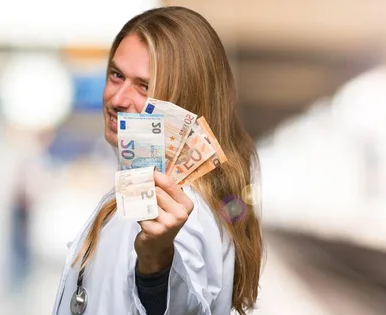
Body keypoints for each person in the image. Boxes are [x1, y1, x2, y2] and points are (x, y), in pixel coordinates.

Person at [52, 6, 263, 315]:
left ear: (183, 102)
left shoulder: (184, 207)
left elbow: (186, 304)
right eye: (116, 75)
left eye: (144, 86)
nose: (118, 99)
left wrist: (156, 262)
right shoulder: (137, 191)